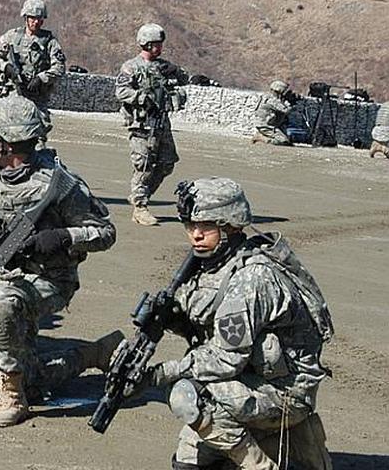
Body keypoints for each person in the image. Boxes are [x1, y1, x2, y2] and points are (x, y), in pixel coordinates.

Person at [137, 177, 333, 470]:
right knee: (188, 462)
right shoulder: (214, 264)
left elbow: (226, 359)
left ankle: (261, 465)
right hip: (253, 380)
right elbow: (207, 322)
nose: (195, 235)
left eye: (206, 227)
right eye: (190, 226)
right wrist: (174, 318)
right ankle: (278, 443)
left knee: (189, 395)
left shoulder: (250, 278)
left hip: (286, 392)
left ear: (230, 226)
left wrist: (160, 374)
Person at [0, 95, 119, 427]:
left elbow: (105, 232)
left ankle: (11, 396)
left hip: (49, 279)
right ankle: (95, 353)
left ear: (12, 143)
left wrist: (62, 237)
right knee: (36, 379)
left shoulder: (58, 184)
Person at [115, 22, 189, 226]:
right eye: (155, 44)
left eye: (160, 44)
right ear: (145, 44)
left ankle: (141, 193)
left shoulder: (163, 67)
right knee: (144, 165)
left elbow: (185, 79)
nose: (159, 48)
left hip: (162, 124)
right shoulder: (131, 67)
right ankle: (140, 207)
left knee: (167, 163)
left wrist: (176, 71)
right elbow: (121, 91)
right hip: (141, 124)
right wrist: (144, 97)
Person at [0, 0, 65, 124]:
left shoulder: (49, 41)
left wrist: (41, 78)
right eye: (32, 18)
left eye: (40, 19)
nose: (36, 22)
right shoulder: (11, 36)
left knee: (39, 131)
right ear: (26, 18)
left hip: (36, 96)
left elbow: (59, 67)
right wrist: (6, 67)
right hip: (13, 92)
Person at [251, 80, 295, 146]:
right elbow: (286, 110)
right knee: (283, 141)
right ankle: (261, 138)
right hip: (265, 125)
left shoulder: (267, 96)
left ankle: (263, 135)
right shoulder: (272, 100)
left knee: (289, 141)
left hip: (267, 123)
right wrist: (291, 103)